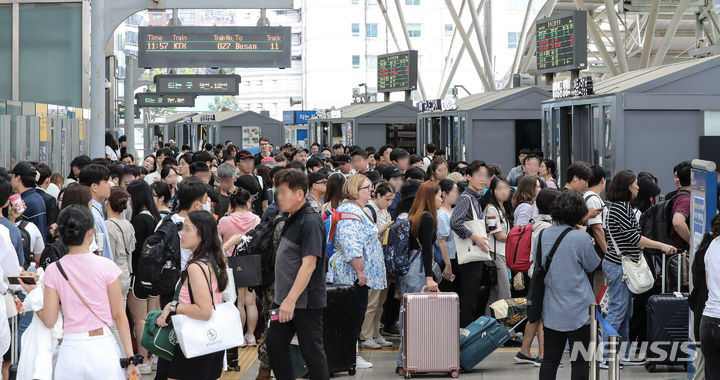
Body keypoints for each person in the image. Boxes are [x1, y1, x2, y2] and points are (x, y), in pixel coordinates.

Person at [36, 205, 141, 379]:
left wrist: (33, 298)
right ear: (90, 232)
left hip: (70, 348)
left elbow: (49, 319)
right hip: (102, 346)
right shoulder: (107, 266)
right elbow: (119, 316)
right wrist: (130, 357)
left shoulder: (54, 270)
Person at [602, 170, 677, 366]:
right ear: (626, 187)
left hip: (621, 265)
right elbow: (634, 238)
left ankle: (623, 354)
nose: (638, 187)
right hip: (620, 266)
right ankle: (605, 356)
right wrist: (661, 245)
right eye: (635, 184)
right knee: (618, 311)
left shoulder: (622, 208)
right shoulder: (620, 209)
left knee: (625, 312)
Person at [266, 169, 329, 380]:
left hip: (303, 302)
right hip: (284, 299)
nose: (278, 197)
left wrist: (291, 300)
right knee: (275, 345)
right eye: (277, 192)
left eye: (283, 192)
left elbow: (309, 265)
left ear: (300, 194)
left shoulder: (310, 221)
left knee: (312, 353)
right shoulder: (292, 217)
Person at [155, 210, 228, 380]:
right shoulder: (214, 260)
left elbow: (204, 311)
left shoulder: (196, 267)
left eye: (187, 229)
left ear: (201, 235)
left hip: (193, 342)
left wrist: (174, 306)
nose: (182, 234)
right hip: (212, 340)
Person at [538, 192, 601, 380]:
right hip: (579, 310)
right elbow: (593, 264)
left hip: (551, 309)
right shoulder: (579, 238)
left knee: (549, 360)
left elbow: (539, 264)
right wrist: (587, 240)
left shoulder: (542, 235)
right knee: (580, 361)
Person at [326, 174, 387, 369]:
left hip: (353, 274)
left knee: (355, 314)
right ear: (355, 190)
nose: (371, 190)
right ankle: (350, 355)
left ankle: (351, 354)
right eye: (367, 187)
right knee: (353, 315)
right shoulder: (351, 212)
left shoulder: (354, 210)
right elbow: (351, 244)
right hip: (352, 275)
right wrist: (360, 271)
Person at [395, 181, 442, 373]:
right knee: (414, 316)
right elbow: (427, 251)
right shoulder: (427, 217)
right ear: (431, 197)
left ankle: (406, 361)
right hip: (419, 268)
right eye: (439, 196)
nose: (441, 199)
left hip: (410, 267)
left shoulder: (414, 215)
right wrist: (430, 278)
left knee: (408, 314)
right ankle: (406, 361)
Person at [515, 188, 561, 366]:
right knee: (543, 314)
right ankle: (543, 355)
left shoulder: (538, 222)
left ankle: (524, 351)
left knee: (535, 315)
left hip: (535, 272)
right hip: (542, 273)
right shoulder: (547, 227)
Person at [217, 188, 261, 346]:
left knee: (238, 302)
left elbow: (218, 241)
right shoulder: (256, 219)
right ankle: (251, 336)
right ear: (248, 202)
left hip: (231, 263)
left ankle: (239, 337)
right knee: (251, 302)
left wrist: (228, 214)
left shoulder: (224, 221)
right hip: (251, 262)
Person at [125, 180, 161, 373]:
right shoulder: (154, 216)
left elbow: (135, 249)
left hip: (138, 275)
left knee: (139, 319)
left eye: (130, 197)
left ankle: (142, 359)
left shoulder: (139, 219)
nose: (129, 201)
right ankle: (153, 357)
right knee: (151, 317)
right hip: (152, 275)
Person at [451, 161, 492, 327]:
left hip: (474, 256)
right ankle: (463, 337)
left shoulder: (475, 198)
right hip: (469, 257)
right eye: (479, 176)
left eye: (486, 176)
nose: (484, 180)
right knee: (469, 300)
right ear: (468, 176)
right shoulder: (467, 198)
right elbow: (455, 223)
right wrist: (475, 237)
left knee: (472, 298)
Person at [484, 177, 514, 308]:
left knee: (495, 295)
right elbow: (497, 235)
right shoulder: (491, 210)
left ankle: (489, 325)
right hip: (495, 255)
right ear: (492, 191)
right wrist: (516, 238)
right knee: (504, 294)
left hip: (502, 254)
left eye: (506, 188)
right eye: (500, 188)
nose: (504, 192)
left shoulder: (503, 207)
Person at [78, 164, 113, 260]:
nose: (109, 185)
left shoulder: (95, 210)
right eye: (106, 182)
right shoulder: (92, 214)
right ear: (94, 187)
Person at [105, 187, 134, 300]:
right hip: (125, 273)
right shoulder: (128, 225)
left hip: (112, 275)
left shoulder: (108, 225)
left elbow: (109, 255)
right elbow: (130, 252)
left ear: (108, 203)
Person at [11, 162, 47, 243]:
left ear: (18, 178)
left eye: (12, 176)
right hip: (39, 248)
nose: (11, 179)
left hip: (29, 251)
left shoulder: (23, 203)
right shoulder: (38, 197)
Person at [437, 179, 459, 293]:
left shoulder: (452, 211)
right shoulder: (441, 214)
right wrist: (448, 265)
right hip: (448, 258)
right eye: (454, 191)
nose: (457, 195)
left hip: (455, 257)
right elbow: (441, 241)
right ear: (445, 194)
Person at [669, 161, 691, 251]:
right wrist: (692, 241)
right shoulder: (685, 199)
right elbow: (678, 222)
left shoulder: (680, 196)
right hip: (682, 253)